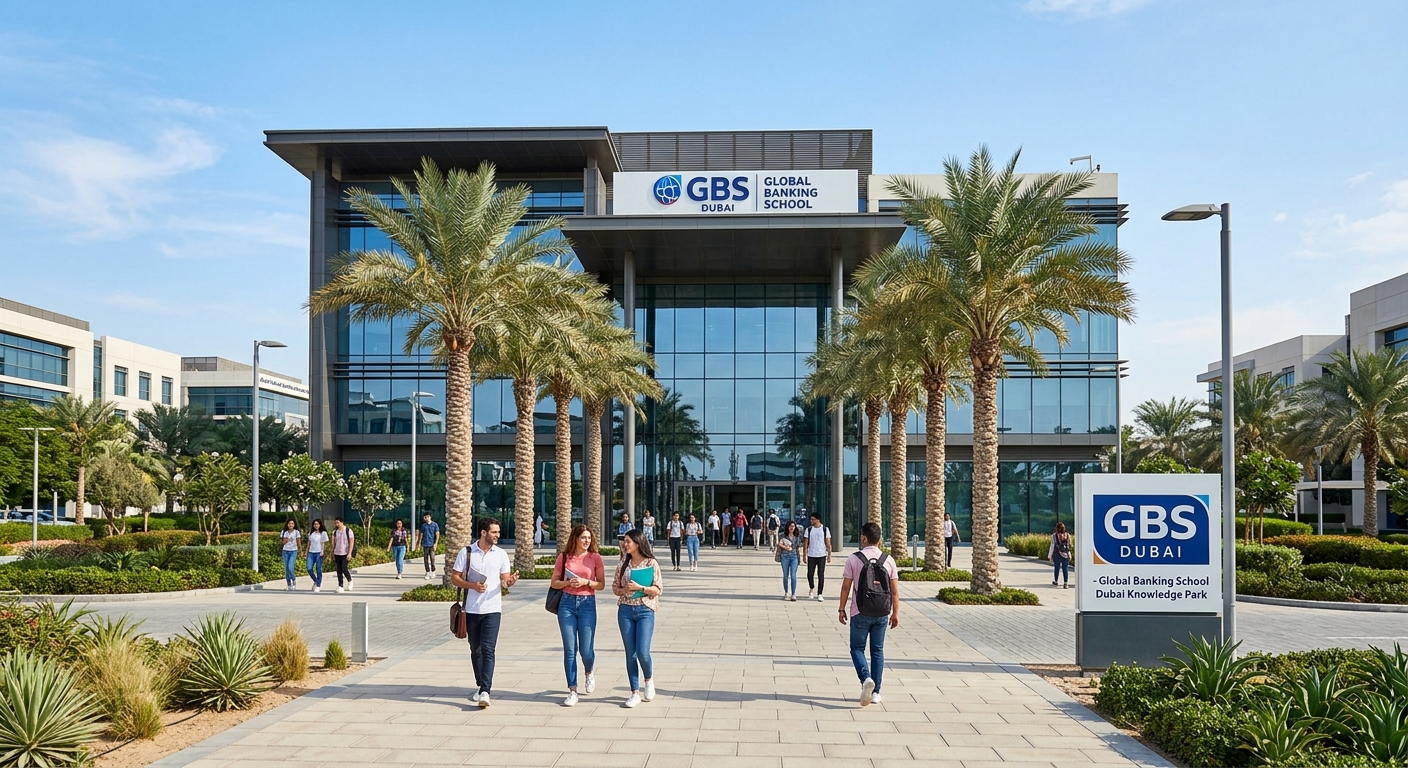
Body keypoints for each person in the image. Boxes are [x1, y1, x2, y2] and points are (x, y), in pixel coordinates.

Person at [450, 517, 520, 708]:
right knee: (476, 650)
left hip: (493, 609)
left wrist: (510, 581)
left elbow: (504, 580)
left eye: (498, 532)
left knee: (488, 649)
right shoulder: (467, 552)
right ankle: (481, 684)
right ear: (483, 533)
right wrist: (472, 585)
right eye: (494, 532)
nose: (497, 535)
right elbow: (455, 578)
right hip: (471, 610)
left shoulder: (501, 554)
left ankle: (485, 691)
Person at [837, 521, 901, 707]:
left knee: (857, 648)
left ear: (863, 538)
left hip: (860, 611)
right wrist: (895, 613)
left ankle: (866, 678)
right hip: (882, 612)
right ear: (879, 540)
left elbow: (846, 587)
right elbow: (895, 591)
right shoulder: (889, 560)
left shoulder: (854, 559)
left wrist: (841, 609)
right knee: (877, 650)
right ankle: (876, 693)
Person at [550, 524, 605, 707]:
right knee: (570, 649)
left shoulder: (595, 557)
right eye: (583, 537)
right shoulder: (564, 557)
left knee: (586, 650)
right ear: (575, 538)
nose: (586, 541)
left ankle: (589, 672)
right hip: (566, 603)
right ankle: (572, 690)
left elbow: (601, 584)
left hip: (587, 603)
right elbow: (554, 582)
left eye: (589, 537)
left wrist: (585, 582)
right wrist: (568, 582)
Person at [613, 528, 662, 708]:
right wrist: (624, 590)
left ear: (638, 543)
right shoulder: (623, 564)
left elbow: (658, 589)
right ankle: (634, 692)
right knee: (630, 653)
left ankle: (648, 679)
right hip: (625, 610)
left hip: (645, 610)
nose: (625, 544)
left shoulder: (651, 563)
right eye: (624, 541)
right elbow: (615, 588)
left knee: (642, 651)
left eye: (628, 541)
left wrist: (641, 588)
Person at [804, 512, 832, 601]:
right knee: (810, 574)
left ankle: (820, 593)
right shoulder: (808, 529)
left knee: (821, 574)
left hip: (821, 555)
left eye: (813, 519)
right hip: (811, 554)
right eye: (811, 519)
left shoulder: (825, 529)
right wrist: (804, 555)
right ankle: (811, 587)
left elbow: (828, 543)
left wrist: (829, 555)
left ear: (818, 520)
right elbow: (806, 543)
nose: (811, 521)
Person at [777, 520, 803, 600]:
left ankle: (793, 593)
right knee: (785, 575)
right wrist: (785, 547)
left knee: (793, 575)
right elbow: (778, 543)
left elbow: (799, 546)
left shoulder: (797, 536)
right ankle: (786, 592)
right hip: (784, 557)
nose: (792, 528)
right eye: (790, 526)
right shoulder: (782, 535)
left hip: (794, 557)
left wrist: (801, 557)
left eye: (793, 526)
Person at [331, 517, 356, 593]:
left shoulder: (348, 530)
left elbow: (351, 542)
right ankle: (340, 585)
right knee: (338, 570)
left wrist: (349, 553)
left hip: (345, 553)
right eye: (335, 523)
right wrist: (331, 553)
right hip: (337, 553)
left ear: (342, 522)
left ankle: (350, 580)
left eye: (338, 522)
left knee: (344, 568)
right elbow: (333, 544)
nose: (336, 524)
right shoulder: (335, 532)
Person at [304, 518, 328, 593]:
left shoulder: (323, 533)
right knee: (309, 568)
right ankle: (315, 580)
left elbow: (324, 543)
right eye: (314, 524)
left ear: (320, 525)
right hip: (311, 552)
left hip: (319, 553)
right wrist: (306, 552)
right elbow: (309, 543)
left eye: (317, 524)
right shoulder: (311, 533)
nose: (316, 525)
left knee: (318, 569)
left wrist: (322, 551)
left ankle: (318, 585)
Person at [1049, 522, 1072, 588]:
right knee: (1065, 568)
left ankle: (1056, 581)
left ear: (1056, 528)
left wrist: (1050, 556)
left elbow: (1052, 546)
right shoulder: (1067, 535)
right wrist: (1069, 554)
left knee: (1057, 568)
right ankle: (1065, 583)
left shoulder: (1054, 536)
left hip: (1057, 553)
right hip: (1066, 554)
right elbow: (1069, 545)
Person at [279, 519, 301, 591]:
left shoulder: (296, 532)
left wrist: (301, 551)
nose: (290, 525)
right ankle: (289, 584)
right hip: (285, 551)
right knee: (287, 569)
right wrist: (284, 541)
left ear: (294, 525)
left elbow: (298, 542)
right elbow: (281, 543)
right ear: (287, 524)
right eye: (289, 523)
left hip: (293, 551)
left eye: (292, 523)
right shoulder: (284, 532)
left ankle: (294, 580)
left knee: (290, 567)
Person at [419, 513, 440, 580]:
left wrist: (436, 543)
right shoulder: (424, 526)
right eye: (425, 517)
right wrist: (419, 543)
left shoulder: (434, 525)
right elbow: (421, 534)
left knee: (432, 558)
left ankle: (433, 571)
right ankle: (427, 572)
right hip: (425, 544)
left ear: (430, 517)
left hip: (432, 544)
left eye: (427, 517)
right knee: (425, 559)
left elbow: (437, 534)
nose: (426, 518)